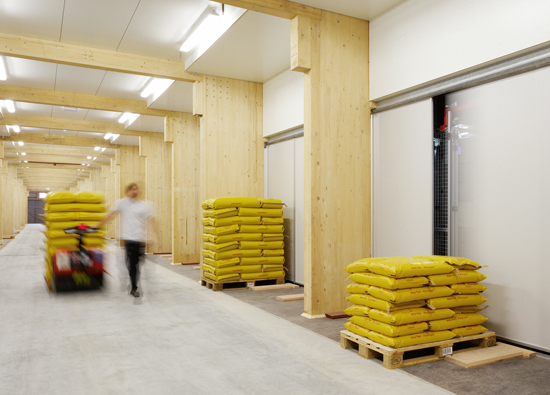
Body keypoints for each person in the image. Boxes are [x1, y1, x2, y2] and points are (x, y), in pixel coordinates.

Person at [94, 183, 158, 297]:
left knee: (138, 263)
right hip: (129, 239)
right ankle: (134, 287)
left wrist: (152, 236)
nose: (134, 191)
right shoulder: (122, 203)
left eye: (136, 189)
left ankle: (133, 282)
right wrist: (98, 225)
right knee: (132, 265)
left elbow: (150, 221)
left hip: (140, 239)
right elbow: (111, 215)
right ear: (128, 191)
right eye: (132, 189)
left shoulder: (145, 205)